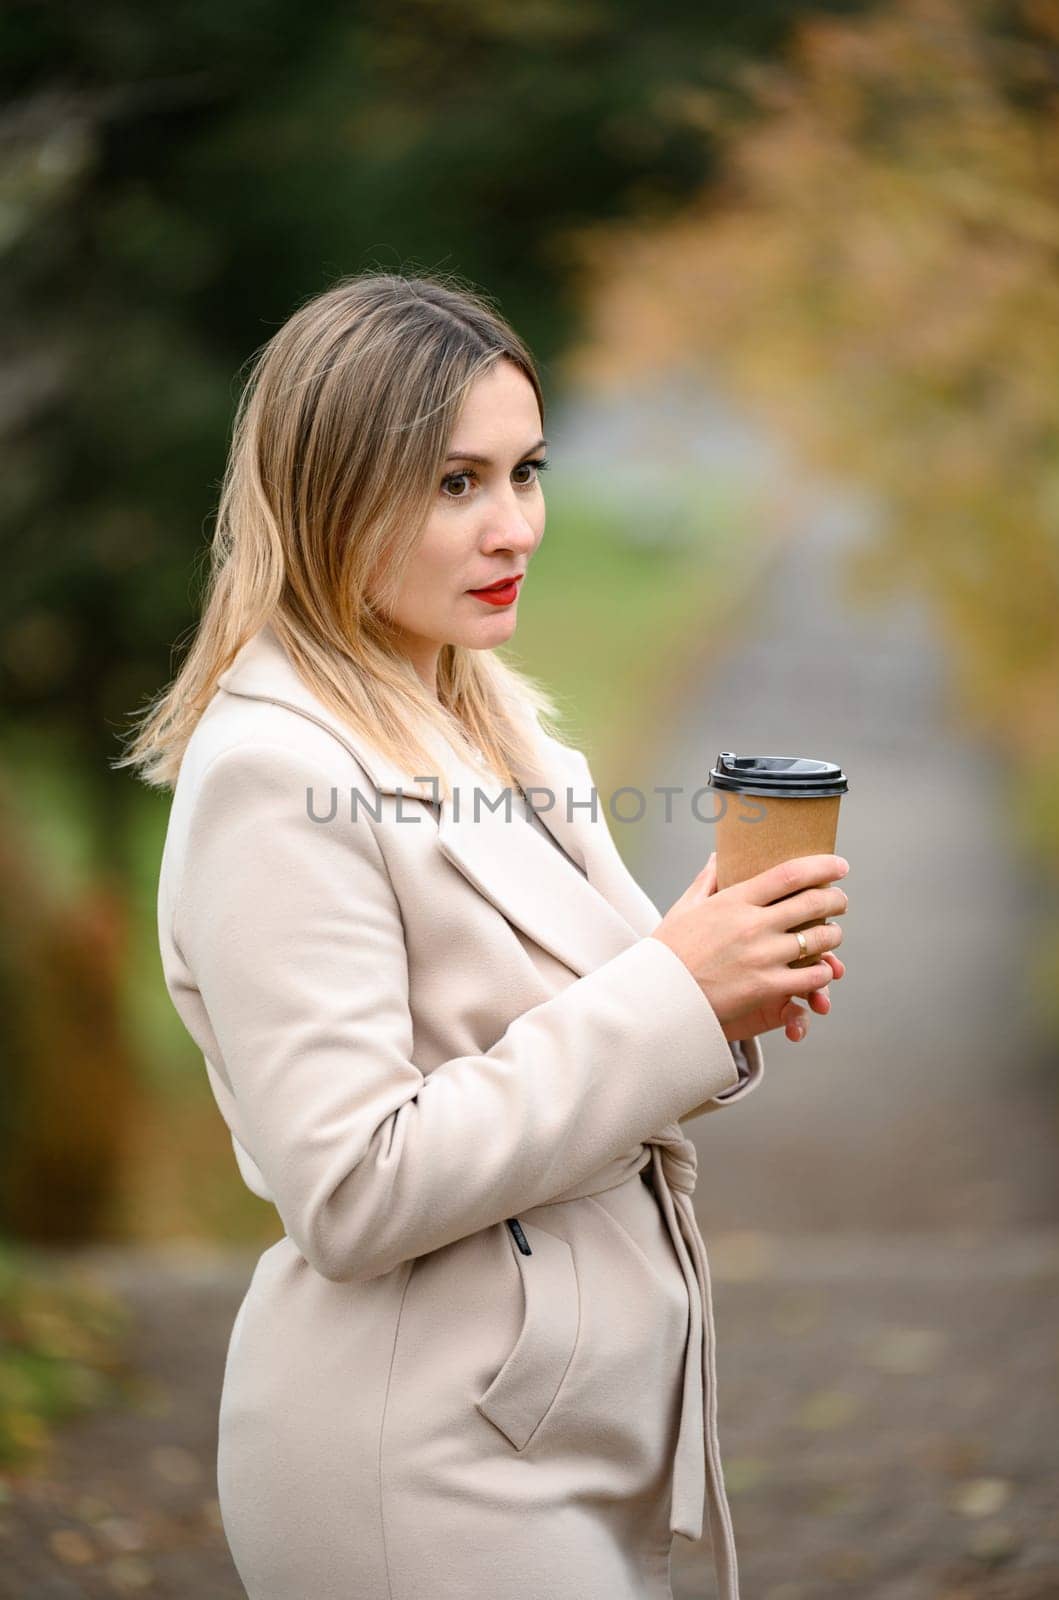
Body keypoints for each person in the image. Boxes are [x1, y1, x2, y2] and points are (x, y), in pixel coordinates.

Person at [115, 271, 848, 1600]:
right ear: (330, 493)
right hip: (421, 1457)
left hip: (576, 1437)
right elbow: (349, 1187)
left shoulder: (505, 732)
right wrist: (674, 996)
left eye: (525, 471)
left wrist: (718, 976)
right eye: (456, 484)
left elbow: (602, 1034)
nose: (513, 525)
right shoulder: (274, 772)